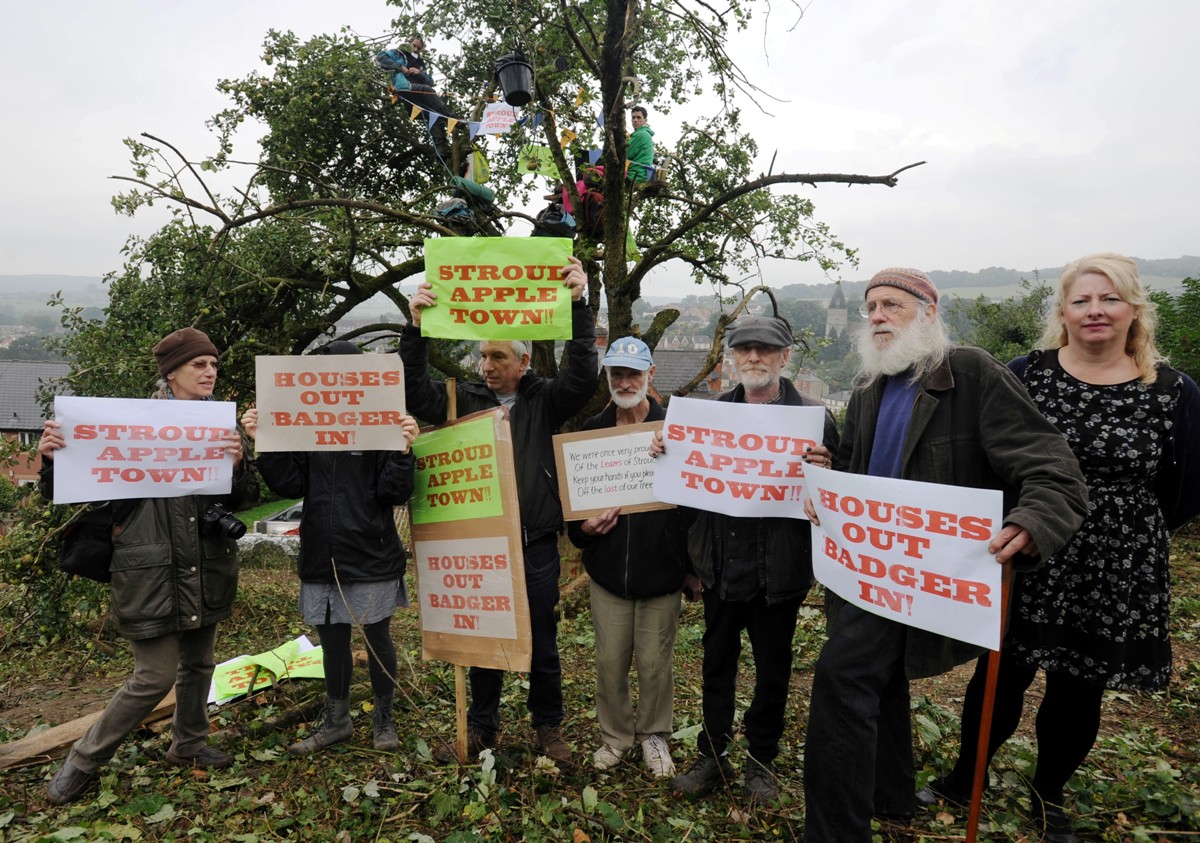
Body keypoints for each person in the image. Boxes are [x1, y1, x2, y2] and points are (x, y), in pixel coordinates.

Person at [916, 254, 1200, 842]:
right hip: (1027, 546)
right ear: (1063, 313)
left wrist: (1127, 530)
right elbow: (989, 454)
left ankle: (1049, 796)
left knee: (1079, 686)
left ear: (1133, 310)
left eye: (1110, 299)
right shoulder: (1027, 374)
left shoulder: (1174, 391)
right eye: (1081, 301)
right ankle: (965, 777)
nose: (1095, 310)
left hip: (1115, 561)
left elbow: (1185, 486)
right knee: (1001, 674)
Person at [800, 268, 1090, 843]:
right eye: (870, 307)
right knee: (874, 680)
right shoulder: (867, 390)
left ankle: (834, 834)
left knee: (841, 678)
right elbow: (858, 469)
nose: (878, 316)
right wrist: (827, 478)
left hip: (936, 574)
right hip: (871, 570)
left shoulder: (973, 373)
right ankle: (893, 797)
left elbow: (1055, 471)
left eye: (892, 305)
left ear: (928, 312)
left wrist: (1032, 520)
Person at [40, 328, 252, 805]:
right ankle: (82, 761)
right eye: (198, 364)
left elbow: (245, 498)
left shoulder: (220, 428)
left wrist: (238, 466)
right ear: (171, 373)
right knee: (153, 677)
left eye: (213, 364)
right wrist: (51, 456)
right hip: (148, 570)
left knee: (199, 663)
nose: (210, 371)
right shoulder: (126, 426)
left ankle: (189, 744)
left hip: (205, 565)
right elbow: (62, 489)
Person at [400, 256, 598, 764]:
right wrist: (416, 329)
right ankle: (483, 729)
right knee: (482, 638)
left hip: (533, 545)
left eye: (498, 357)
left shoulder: (546, 400)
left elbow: (581, 377)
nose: (486, 366)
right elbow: (413, 391)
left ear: (524, 362)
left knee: (542, 640)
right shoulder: (461, 399)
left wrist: (578, 308)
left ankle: (547, 729)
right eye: (482, 356)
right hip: (480, 544)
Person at [653, 315, 840, 803]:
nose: (753, 357)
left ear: (784, 357)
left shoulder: (816, 420)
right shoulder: (709, 416)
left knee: (772, 670)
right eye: (744, 349)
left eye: (765, 349)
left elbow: (845, 493)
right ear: (732, 357)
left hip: (779, 573)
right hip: (719, 567)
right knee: (716, 666)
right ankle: (711, 756)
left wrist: (829, 469)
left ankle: (761, 761)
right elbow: (688, 491)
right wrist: (665, 450)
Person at [240, 341, 420, 756]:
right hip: (322, 553)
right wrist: (261, 439)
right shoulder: (306, 431)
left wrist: (403, 449)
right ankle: (337, 721)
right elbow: (288, 484)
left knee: (377, 639)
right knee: (333, 641)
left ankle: (384, 719)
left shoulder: (380, 427)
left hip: (371, 554)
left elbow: (393, 492)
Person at [566, 337, 693, 777]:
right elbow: (573, 515)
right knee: (609, 661)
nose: (624, 382)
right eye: (616, 374)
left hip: (662, 573)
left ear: (650, 375)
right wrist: (584, 530)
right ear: (607, 377)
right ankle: (616, 737)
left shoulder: (675, 432)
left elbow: (694, 506)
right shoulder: (589, 434)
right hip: (607, 575)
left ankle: (655, 736)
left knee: (656, 662)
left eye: (632, 374)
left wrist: (690, 568)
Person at [626, 106, 654, 184]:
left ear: (645, 120)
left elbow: (625, 154)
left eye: (638, 117)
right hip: (640, 175)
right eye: (633, 117)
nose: (635, 120)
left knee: (593, 175)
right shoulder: (645, 134)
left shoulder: (641, 134)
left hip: (634, 176)